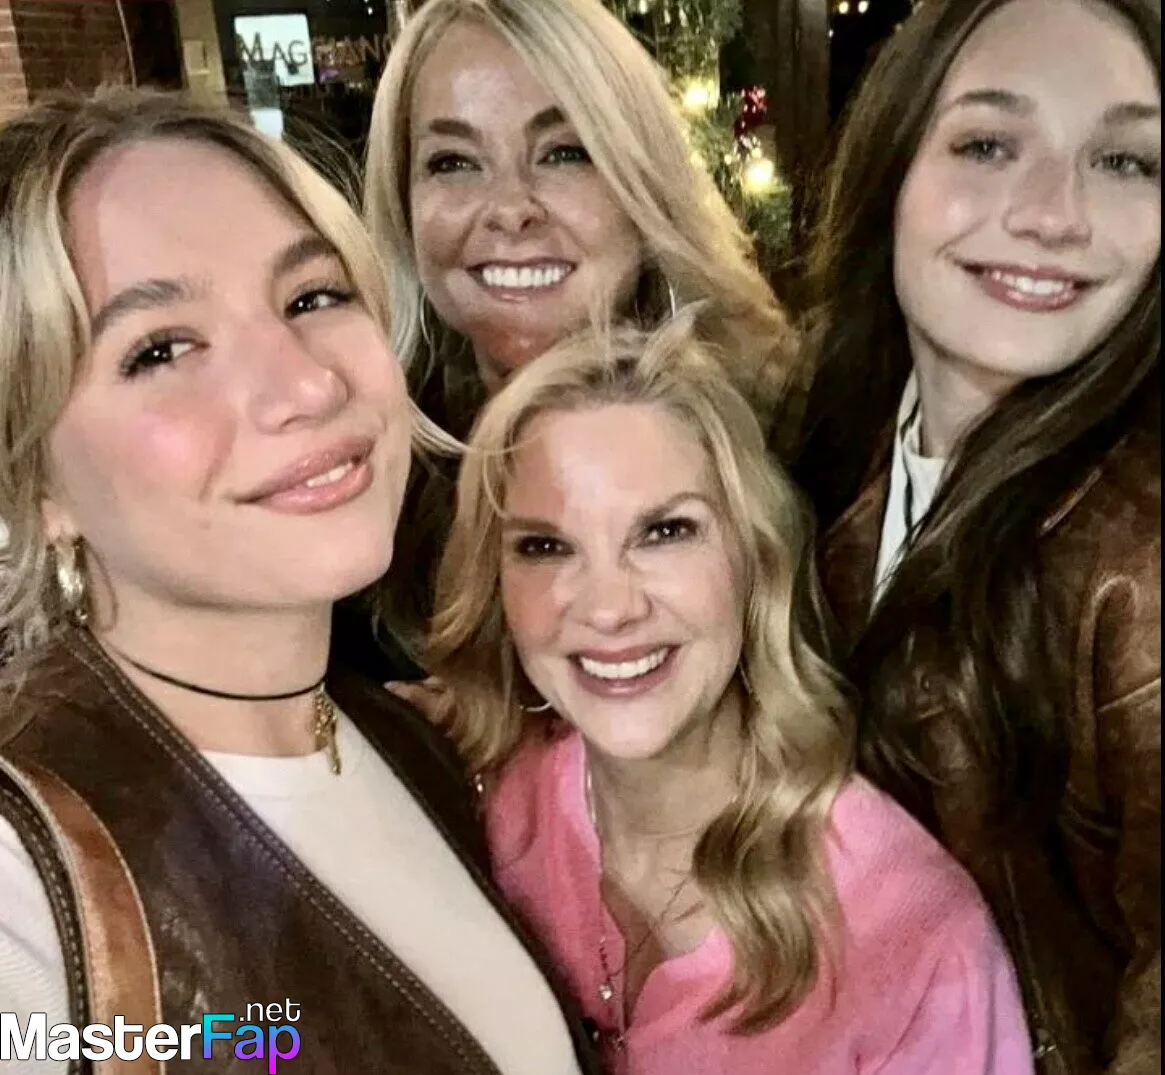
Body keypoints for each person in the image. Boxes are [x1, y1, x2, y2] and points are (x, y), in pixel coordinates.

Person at [0, 87, 599, 1075]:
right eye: (161, 349)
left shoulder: (407, 742)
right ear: (35, 480)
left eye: (313, 297)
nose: (309, 384)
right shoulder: (28, 876)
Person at [424, 314, 1036, 1074]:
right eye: (545, 546)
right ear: (495, 585)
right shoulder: (470, 814)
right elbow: (279, 1030)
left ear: (754, 556)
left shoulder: (915, 941)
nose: (609, 608)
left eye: (664, 531)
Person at [793, 0, 1160, 1071]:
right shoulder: (828, 441)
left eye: (1125, 162)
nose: (1053, 214)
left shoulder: (1139, 556)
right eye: (989, 144)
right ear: (892, 170)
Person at [346, 0, 799, 676]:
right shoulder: (366, 474)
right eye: (454, 162)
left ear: (641, 183)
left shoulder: (787, 443)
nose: (509, 210)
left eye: (564, 153)